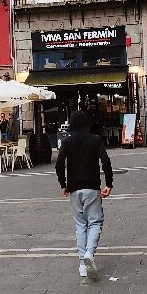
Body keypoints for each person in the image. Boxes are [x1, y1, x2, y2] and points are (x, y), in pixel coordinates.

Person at [55, 110, 113, 280]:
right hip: (92, 188)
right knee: (95, 222)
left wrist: (63, 184)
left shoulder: (67, 141)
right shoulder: (95, 140)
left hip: (74, 189)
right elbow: (106, 161)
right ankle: (89, 253)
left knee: (80, 225)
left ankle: (82, 264)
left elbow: (59, 164)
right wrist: (108, 183)